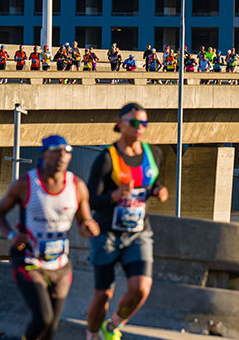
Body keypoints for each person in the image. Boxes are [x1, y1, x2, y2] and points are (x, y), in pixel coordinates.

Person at [0, 135, 100, 340]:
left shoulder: (77, 186)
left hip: (60, 264)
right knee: (43, 318)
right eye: (56, 151)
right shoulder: (26, 184)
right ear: (43, 154)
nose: (62, 156)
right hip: (29, 260)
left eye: (66, 151)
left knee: (51, 328)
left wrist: (90, 227)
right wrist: (12, 235)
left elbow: (84, 222)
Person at [85, 103, 169, 340]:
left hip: (138, 233)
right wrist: (114, 195)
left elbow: (151, 183)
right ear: (119, 124)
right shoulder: (106, 158)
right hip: (107, 234)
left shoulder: (154, 154)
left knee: (141, 288)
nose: (139, 128)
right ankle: (92, 334)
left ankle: (112, 326)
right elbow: (90, 199)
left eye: (144, 123)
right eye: (134, 123)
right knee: (103, 295)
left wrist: (159, 190)